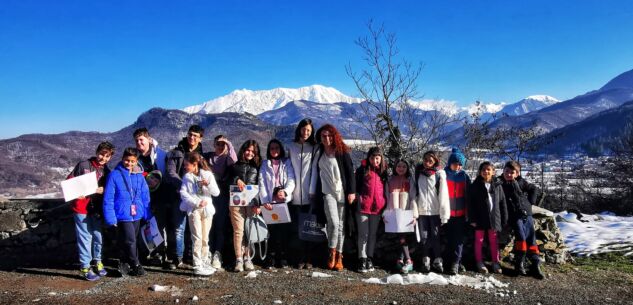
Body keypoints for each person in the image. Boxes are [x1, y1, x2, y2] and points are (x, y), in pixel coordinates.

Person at [309, 124, 356, 271]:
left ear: (334, 136)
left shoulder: (341, 152)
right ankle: (331, 252)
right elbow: (314, 172)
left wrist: (352, 192)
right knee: (333, 223)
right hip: (326, 192)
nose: (327, 138)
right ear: (320, 137)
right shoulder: (318, 151)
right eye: (324, 136)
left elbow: (350, 173)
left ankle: (339, 257)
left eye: (329, 135)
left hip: (342, 193)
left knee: (341, 225)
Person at [68, 141, 115, 281]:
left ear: (110, 157)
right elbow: (69, 183)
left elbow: (110, 190)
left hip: (96, 209)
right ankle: (85, 267)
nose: (103, 158)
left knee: (98, 236)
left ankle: (97, 262)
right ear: (97, 152)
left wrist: (104, 190)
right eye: (101, 154)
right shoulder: (83, 165)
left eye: (107, 156)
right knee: (85, 237)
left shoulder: (107, 171)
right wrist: (77, 192)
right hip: (81, 207)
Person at [103, 147, 152, 277]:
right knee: (130, 240)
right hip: (122, 213)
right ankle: (136, 264)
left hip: (137, 212)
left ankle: (123, 263)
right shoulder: (114, 175)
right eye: (126, 160)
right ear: (122, 159)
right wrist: (111, 218)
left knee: (132, 239)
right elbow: (108, 198)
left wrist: (147, 212)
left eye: (132, 161)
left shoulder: (139, 176)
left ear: (136, 161)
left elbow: (145, 194)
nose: (129, 163)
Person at [165, 125, 206, 269]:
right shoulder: (176, 152)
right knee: (179, 228)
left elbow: (204, 174)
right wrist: (184, 186)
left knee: (195, 229)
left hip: (196, 198)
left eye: (196, 135)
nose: (192, 138)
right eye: (190, 134)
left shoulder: (202, 155)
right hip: (179, 196)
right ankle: (178, 258)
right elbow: (170, 173)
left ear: (201, 138)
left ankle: (192, 257)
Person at [499, 161, 544, 279]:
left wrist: (530, 203)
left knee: (531, 238)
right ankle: (520, 263)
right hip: (514, 215)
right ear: (503, 171)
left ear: (517, 173)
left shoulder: (521, 182)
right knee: (521, 238)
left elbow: (533, 188)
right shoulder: (500, 183)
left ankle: (535, 264)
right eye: (506, 171)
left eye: (512, 172)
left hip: (526, 213)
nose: (508, 174)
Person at [179, 152, 220, 276]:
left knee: (205, 237)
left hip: (207, 210)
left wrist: (208, 184)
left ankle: (204, 261)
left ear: (195, 164)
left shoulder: (207, 175)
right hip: (194, 210)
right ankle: (197, 265)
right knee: (196, 237)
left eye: (187, 164)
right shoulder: (187, 177)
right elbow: (183, 194)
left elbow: (216, 193)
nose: (185, 167)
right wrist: (196, 202)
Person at [133, 128, 169, 266]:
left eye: (141, 139)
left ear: (149, 139)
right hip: (142, 198)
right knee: (144, 225)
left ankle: (159, 253)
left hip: (159, 196)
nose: (139, 142)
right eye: (136, 140)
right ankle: (147, 252)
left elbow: (166, 174)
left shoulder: (160, 155)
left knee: (158, 225)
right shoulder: (135, 157)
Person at [259, 139, 296, 269]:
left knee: (284, 232)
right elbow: (262, 183)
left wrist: (285, 192)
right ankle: (271, 258)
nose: (275, 151)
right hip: (270, 204)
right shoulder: (265, 164)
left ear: (280, 149)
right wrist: (265, 202)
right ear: (269, 150)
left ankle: (283, 258)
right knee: (272, 233)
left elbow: (291, 179)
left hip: (284, 203)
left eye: (277, 148)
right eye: (272, 148)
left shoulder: (286, 163)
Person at [412, 151, 450, 273]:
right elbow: (414, 193)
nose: (427, 162)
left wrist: (444, 214)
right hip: (422, 211)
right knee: (424, 237)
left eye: (430, 160)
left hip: (435, 211)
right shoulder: (418, 173)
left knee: (435, 236)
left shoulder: (439, 175)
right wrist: (414, 211)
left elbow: (443, 195)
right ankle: (425, 259)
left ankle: (438, 260)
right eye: (425, 159)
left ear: (435, 162)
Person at [286, 118, 317, 269]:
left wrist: (313, 191)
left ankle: (309, 258)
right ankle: (299, 258)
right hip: (295, 195)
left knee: (310, 228)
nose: (305, 133)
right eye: (304, 129)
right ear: (299, 129)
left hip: (310, 195)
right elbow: (289, 169)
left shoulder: (314, 147)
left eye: (309, 131)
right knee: (297, 228)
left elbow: (315, 171)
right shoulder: (291, 147)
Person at [228, 139, 262, 272]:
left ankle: (248, 257)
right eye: (248, 150)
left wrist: (258, 204)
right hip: (236, 202)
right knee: (238, 231)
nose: (250, 153)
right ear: (243, 150)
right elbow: (227, 180)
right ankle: (238, 259)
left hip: (252, 202)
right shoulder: (234, 166)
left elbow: (261, 185)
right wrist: (237, 179)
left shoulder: (258, 167)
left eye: (253, 151)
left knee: (249, 231)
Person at [204, 135, 237, 270]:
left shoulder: (228, 159)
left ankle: (218, 252)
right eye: (218, 144)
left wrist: (229, 144)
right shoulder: (207, 157)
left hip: (222, 196)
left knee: (220, 225)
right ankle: (207, 252)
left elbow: (234, 161)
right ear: (213, 144)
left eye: (223, 144)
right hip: (208, 196)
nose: (220, 146)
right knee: (207, 225)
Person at [468, 161, 507, 274]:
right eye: (483, 169)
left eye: (488, 169)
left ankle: (496, 262)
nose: (486, 171)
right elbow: (470, 204)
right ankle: (479, 262)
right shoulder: (474, 186)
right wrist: (472, 219)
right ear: (480, 172)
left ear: (493, 172)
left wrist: (504, 218)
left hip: (494, 218)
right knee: (479, 240)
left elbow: (502, 202)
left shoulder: (498, 185)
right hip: (479, 218)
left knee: (494, 240)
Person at [354, 146, 388, 273]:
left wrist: (384, 203)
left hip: (377, 208)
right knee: (363, 234)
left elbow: (386, 189)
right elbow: (356, 186)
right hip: (363, 207)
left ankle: (369, 258)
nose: (375, 160)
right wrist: (358, 199)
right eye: (373, 157)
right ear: (369, 158)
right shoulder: (362, 170)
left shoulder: (383, 172)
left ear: (381, 159)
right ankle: (361, 259)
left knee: (372, 234)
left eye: (377, 158)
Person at [384, 159, 417, 274]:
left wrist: (414, 215)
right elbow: (387, 197)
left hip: (407, 212)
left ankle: (406, 260)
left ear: (407, 168)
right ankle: (403, 259)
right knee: (401, 236)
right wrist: (386, 214)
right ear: (395, 167)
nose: (401, 168)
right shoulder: (390, 180)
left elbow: (413, 197)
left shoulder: (410, 180)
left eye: (404, 166)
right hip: (394, 213)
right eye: (399, 166)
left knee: (402, 236)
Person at [443, 148, 471, 275]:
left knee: (459, 240)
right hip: (447, 214)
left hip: (460, 214)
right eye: (455, 163)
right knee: (449, 239)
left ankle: (456, 262)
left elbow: (470, 196)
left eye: (460, 164)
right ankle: (450, 262)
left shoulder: (464, 177)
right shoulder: (443, 175)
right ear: (450, 163)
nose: (458, 166)